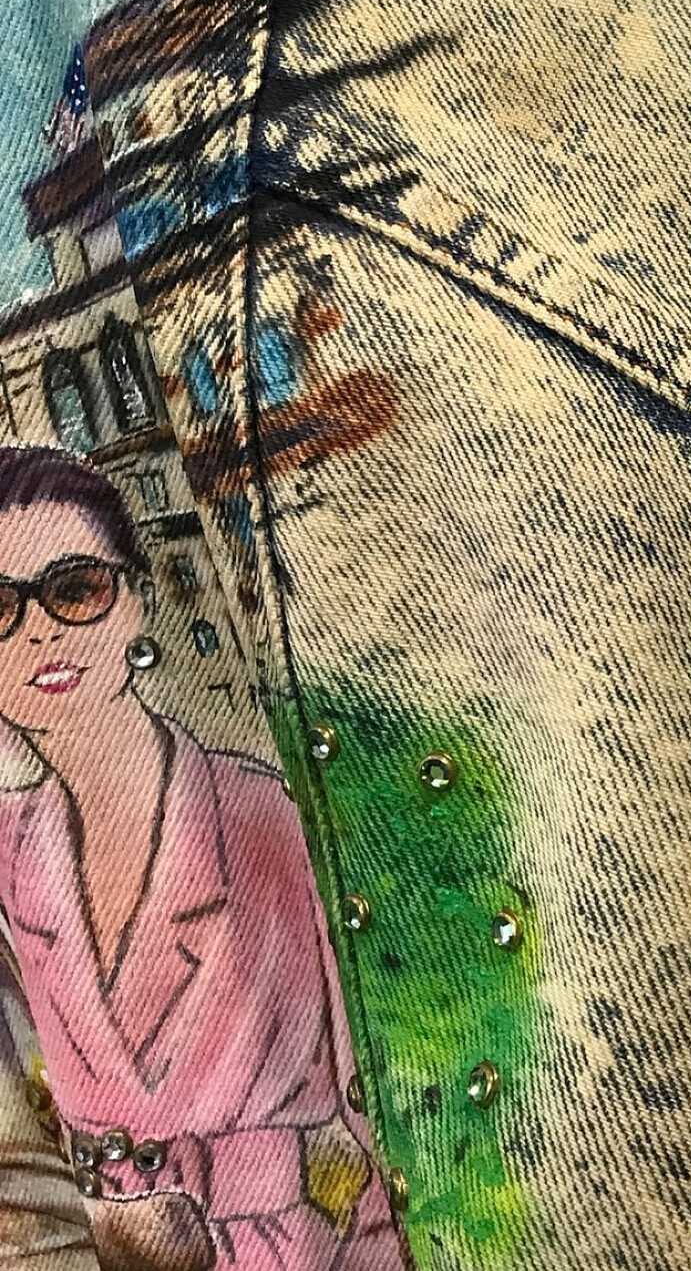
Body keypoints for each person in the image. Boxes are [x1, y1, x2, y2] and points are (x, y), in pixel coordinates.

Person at [0, 445, 401, 1271]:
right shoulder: (10, 851)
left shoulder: (267, 816)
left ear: (136, 604)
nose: (38, 629)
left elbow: (381, 1110)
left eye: (75, 590)